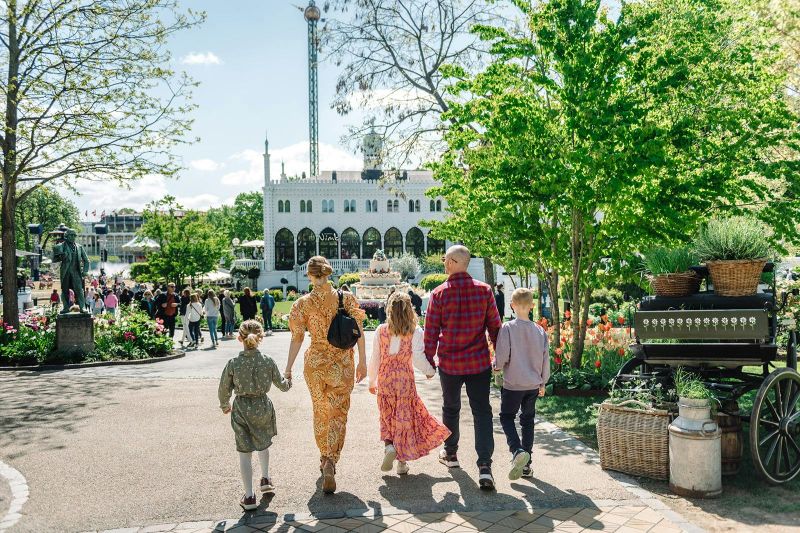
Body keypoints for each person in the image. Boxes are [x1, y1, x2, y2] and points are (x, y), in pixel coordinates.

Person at [285, 256, 367, 494]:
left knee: (321, 411)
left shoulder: (302, 304)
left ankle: (324, 456)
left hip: (316, 365)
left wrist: (288, 368)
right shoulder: (347, 298)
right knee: (338, 413)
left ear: (310, 275)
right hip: (342, 364)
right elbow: (359, 332)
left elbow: (297, 338)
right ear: (328, 273)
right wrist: (362, 362)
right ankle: (331, 459)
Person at [425, 245, 502, 490]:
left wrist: (429, 361)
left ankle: (451, 453)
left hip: (450, 363)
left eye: (445, 260)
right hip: (478, 362)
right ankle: (485, 466)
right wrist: (499, 357)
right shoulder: (484, 291)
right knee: (482, 411)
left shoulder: (439, 294)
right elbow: (495, 327)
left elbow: (431, 332)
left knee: (451, 407)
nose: (444, 263)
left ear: (451, 262)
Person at [368, 292, 450, 476]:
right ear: (409, 310)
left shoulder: (381, 330)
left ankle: (389, 446)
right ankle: (401, 462)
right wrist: (430, 371)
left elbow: (375, 358)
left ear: (389, 309)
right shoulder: (415, 331)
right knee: (403, 418)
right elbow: (418, 357)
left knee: (387, 416)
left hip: (386, 379)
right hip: (404, 380)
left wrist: (372, 381)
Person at [218, 320, 292, 510]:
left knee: (244, 452)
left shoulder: (233, 363)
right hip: (262, 406)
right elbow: (283, 386)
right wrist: (288, 379)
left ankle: (249, 496)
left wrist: (225, 405)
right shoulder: (267, 361)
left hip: (242, 408)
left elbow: (224, 388)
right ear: (261, 338)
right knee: (263, 442)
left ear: (239, 338)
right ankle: (265, 479)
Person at [492, 287, 550, 480]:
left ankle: (517, 450)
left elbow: (502, 353)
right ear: (532, 306)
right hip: (533, 385)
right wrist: (543, 382)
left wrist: (497, 366)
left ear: (512, 305)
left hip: (513, 384)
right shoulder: (540, 331)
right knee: (528, 421)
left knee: (507, 417)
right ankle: (527, 465)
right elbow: (545, 359)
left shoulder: (508, 328)